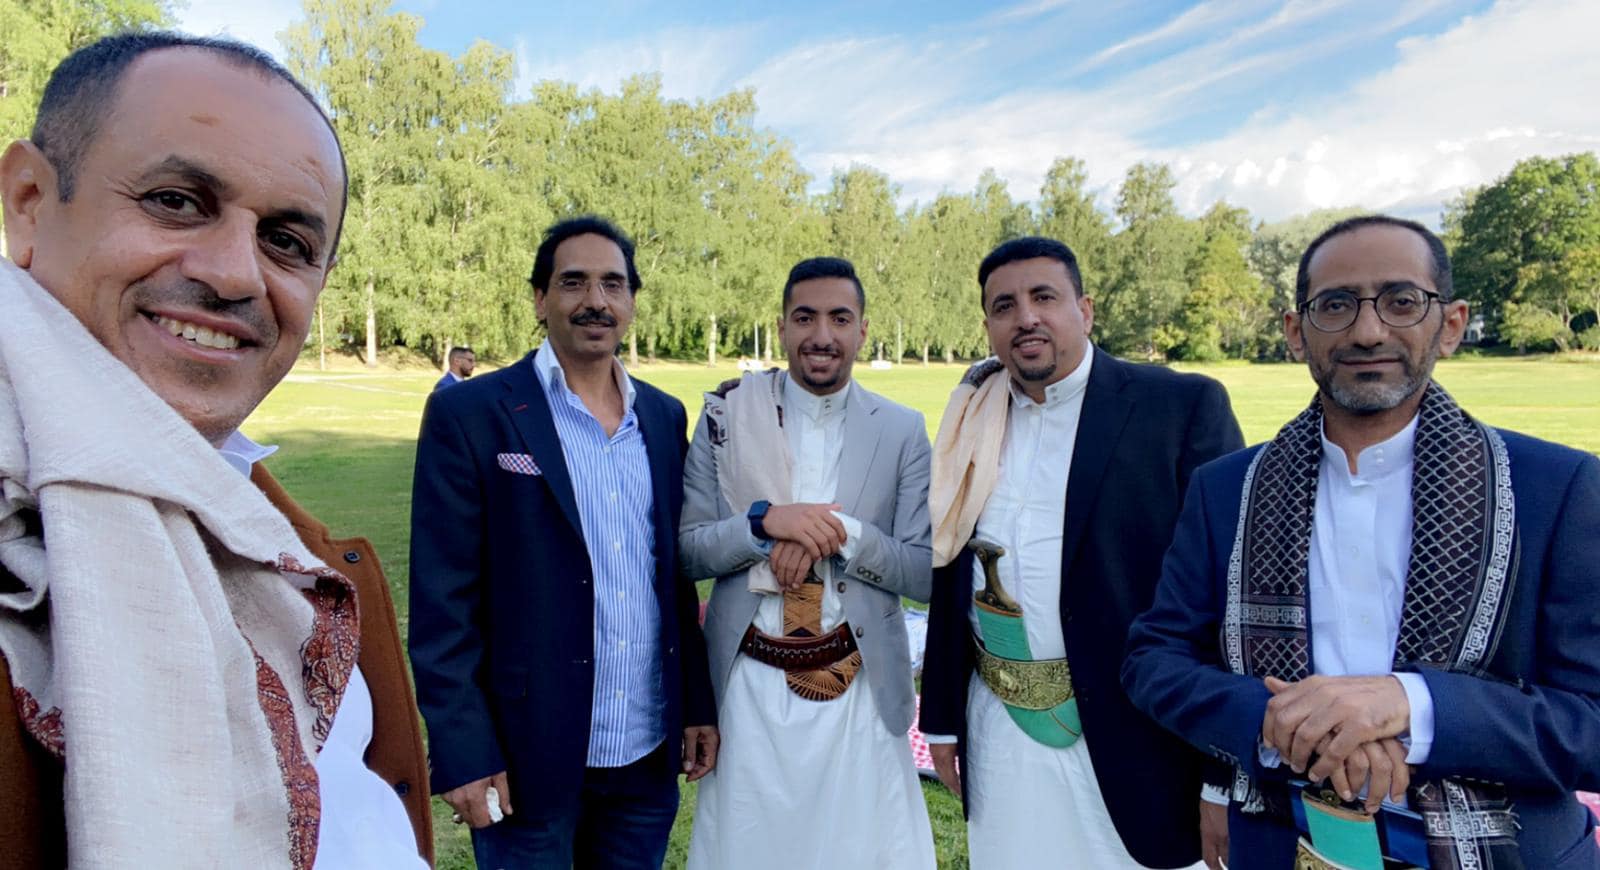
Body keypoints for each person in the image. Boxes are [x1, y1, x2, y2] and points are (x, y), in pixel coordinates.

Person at [0, 32, 430, 868]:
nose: (236, 274)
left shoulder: (266, 522)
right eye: (176, 201)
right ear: (29, 202)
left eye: (287, 242)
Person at [1123, 215, 1600, 869]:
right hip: (1283, 842)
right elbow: (1154, 658)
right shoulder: (1227, 489)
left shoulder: (1556, 489)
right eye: (1336, 305)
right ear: (1296, 332)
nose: (1368, 330)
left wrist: (1411, 706)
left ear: (1451, 324)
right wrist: (1277, 720)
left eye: (1401, 301)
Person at [919, 236, 1243, 869]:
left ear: (1085, 310)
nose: (1026, 318)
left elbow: (1227, 596)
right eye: (1004, 306)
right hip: (1000, 730)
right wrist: (943, 718)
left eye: (1044, 297)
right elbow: (950, 566)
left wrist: (1220, 775)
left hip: (1138, 742)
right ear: (988, 328)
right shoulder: (972, 416)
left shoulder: (1179, 408)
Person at [408, 216, 718, 868]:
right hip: (525, 757)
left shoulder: (663, 417)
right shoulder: (473, 413)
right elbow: (442, 600)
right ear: (540, 299)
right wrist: (464, 749)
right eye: (573, 282)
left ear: (631, 301)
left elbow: (673, 577)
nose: (595, 301)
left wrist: (696, 704)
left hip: (643, 754)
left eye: (613, 284)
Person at [680, 257, 937, 869]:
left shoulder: (901, 430)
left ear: (863, 330)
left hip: (859, 688)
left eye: (839, 318)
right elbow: (688, 549)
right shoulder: (726, 418)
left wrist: (840, 533)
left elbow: (924, 572)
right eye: (805, 318)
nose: (822, 335)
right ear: (782, 326)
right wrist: (765, 524)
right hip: (749, 689)